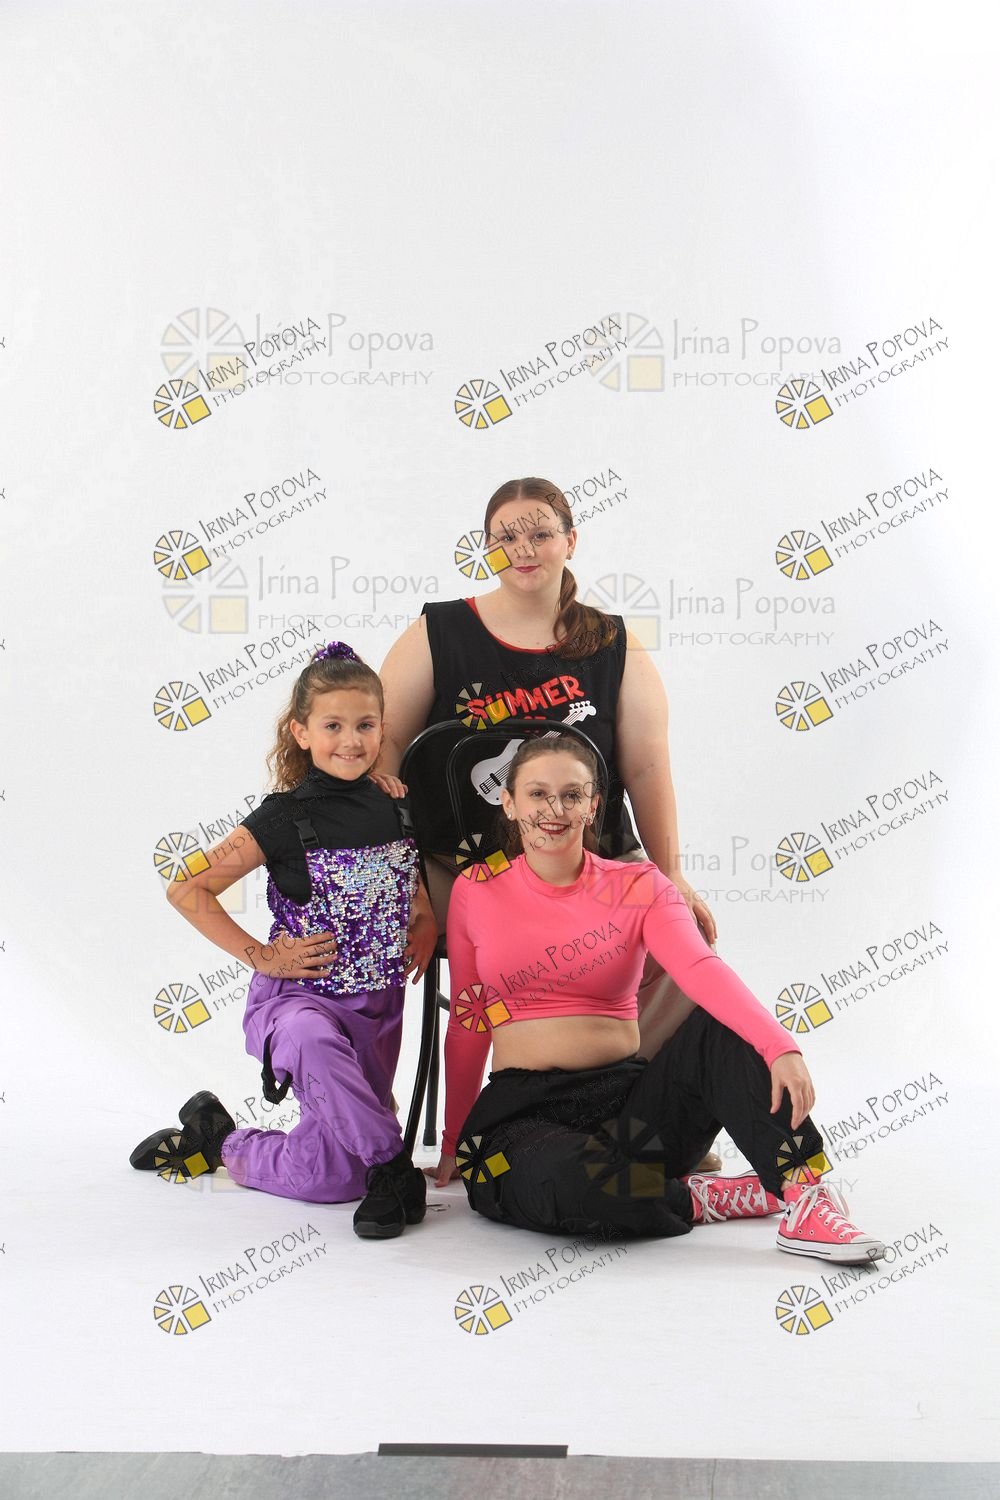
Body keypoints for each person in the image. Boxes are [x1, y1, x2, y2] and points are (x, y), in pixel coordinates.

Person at [428, 734, 885, 1263]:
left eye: (572, 795)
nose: (555, 809)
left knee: (723, 1031)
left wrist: (779, 1046)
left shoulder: (639, 885)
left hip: (633, 1110)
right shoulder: (477, 890)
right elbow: (467, 1021)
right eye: (537, 794)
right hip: (519, 1119)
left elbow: (699, 969)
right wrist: (452, 1142)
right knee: (570, 1184)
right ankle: (700, 1199)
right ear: (509, 803)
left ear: (593, 805)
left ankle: (803, 1194)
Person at [377, 474, 721, 1164]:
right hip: (461, 864)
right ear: (486, 548)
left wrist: (672, 875)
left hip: (591, 859)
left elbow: (647, 768)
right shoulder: (437, 632)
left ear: (571, 541)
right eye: (506, 536)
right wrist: (404, 881)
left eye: (540, 533)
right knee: (372, 926)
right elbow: (381, 753)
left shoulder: (613, 644)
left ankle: (635, 1115)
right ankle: (366, 1125)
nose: (524, 548)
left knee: (685, 946)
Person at [129, 642, 438, 1240]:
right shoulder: (281, 817)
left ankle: (220, 1140)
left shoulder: (397, 805)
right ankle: (395, 1167)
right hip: (299, 1000)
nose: (350, 740)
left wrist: (423, 919)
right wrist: (263, 955)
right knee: (309, 1038)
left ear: (382, 728)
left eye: (365, 725)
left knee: (332, 1178)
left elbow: (411, 880)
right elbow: (188, 888)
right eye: (332, 726)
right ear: (300, 732)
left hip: (378, 1008)